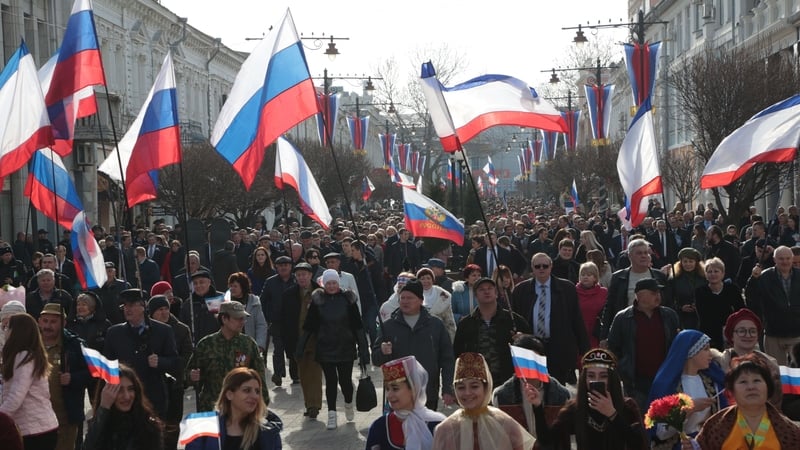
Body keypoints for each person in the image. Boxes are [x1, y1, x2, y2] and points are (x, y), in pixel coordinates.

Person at [529, 348, 648, 450]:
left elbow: (639, 445)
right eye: (591, 376)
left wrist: (612, 414)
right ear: (584, 380)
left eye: (603, 376)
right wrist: (538, 406)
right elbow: (546, 442)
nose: (596, 380)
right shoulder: (574, 409)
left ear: (611, 379)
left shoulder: (628, 407)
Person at [298, 269, 370, 430]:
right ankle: (332, 414)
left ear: (338, 283)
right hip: (325, 347)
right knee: (331, 381)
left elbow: (358, 326)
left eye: (334, 283)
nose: (331, 286)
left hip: (346, 346)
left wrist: (364, 350)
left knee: (345, 382)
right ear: (324, 284)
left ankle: (348, 404)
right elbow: (309, 326)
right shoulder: (318, 301)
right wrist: (300, 347)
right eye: (328, 283)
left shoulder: (348, 299)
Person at [373, 279, 456, 411]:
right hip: (398, 394)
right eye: (402, 298)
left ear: (421, 300)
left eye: (410, 298)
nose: (405, 301)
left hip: (428, 391)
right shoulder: (388, 326)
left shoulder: (435, 325)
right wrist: (382, 351)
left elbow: (447, 360)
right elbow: (376, 360)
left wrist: (447, 388)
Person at [511, 252, 589, 384]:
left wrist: (585, 350)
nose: (541, 269)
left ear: (551, 266)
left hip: (558, 349)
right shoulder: (520, 290)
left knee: (556, 391)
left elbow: (576, 319)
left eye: (545, 266)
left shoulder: (567, 288)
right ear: (532, 268)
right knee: (532, 388)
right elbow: (514, 317)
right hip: (531, 349)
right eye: (537, 266)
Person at [431, 352, 535, 450]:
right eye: (461, 387)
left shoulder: (505, 424)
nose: (467, 393)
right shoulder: (445, 429)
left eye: (474, 386)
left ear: (486, 388)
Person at [694, 354, 800, 449]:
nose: (751, 387)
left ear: (768, 387)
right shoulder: (715, 426)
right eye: (743, 382)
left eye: (757, 381)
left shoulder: (789, 431)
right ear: (732, 390)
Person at [103, 288, 179, 418]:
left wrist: (159, 361)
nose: (127, 309)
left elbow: (175, 361)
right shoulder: (114, 333)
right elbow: (107, 365)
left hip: (153, 396)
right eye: (125, 306)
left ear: (143, 306)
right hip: (125, 398)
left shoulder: (163, 331)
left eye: (132, 305)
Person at [607, 278, 680, 413]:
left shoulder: (669, 316)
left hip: (665, 380)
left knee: (667, 422)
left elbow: (677, 345)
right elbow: (612, 348)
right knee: (638, 422)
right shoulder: (623, 318)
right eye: (653, 293)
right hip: (636, 384)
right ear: (640, 296)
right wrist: (623, 369)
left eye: (659, 292)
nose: (658, 296)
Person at [648, 330, 728, 450]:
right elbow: (660, 433)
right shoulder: (667, 386)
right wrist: (689, 410)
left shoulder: (712, 382)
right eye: (705, 349)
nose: (710, 354)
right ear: (691, 352)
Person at [187, 301, 268, 412]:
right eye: (238, 318)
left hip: (241, 408)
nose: (242, 322)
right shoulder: (206, 344)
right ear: (224, 319)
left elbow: (259, 377)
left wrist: (263, 405)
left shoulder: (248, 344)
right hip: (212, 408)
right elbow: (187, 374)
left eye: (243, 318)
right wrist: (191, 376)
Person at [454, 277, 531, 388]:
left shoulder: (515, 320)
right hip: (478, 382)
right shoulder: (466, 324)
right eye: (481, 289)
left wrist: (523, 339)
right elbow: (458, 354)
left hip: (509, 381)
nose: (486, 291)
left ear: (496, 294)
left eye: (490, 288)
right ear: (476, 295)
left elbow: (533, 348)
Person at [491, 334, 571, 437]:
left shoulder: (562, 395)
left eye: (533, 359)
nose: (529, 365)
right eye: (523, 360)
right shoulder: (501, 396)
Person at [185, 367, 283, 450]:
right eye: (247, 390)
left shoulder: (268, 431)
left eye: (257, 391)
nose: (254, 396)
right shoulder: (204, 432)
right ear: (229, 394)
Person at [0, 313, 59, 449]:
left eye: (8, 328)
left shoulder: (24, 356)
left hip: (35, 430)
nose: (5, 331)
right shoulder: (24, 355)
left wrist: (2, 417)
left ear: (17, 332)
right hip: (35, 427)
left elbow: (17, 395)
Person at [37, 303, 90, 450]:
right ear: (39, 321)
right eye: (45, 321)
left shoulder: (75, 346)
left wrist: (73, 378)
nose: (48, 326)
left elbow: (91, 374)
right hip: (36, 419)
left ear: (64, 323)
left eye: (53, 322)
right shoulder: (31, 345)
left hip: (65, 418)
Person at [366, 356, 447, 450]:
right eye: (387, 389)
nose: (389, 395)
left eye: (395, 389)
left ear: (414, 389)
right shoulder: (379, 427)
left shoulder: (437, 424)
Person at [148, 294, 193, 450]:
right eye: (160, 309)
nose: (164, 312)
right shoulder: (145, 330)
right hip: (151, 386)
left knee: (172, 427)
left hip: (174, 386)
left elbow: (187, 357)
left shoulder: (181, 329)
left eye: (166, 308)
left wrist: (166, 364)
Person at [83, 364, 164, 450]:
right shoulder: (99, 425)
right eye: (119, 390)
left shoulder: (149, 427)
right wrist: (104, 408)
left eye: (130, 389)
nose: (126, 396)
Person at [713, 308, 783, 408]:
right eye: (742, 331)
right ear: (732, 335)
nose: (748, 335)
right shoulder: (718, 363)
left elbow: (776, 399)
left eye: (752, 331)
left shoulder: (770, 363)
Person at [280, 262, 323, 419]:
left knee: (314, 373)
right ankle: (309, 403)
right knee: (303, 374)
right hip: (297, 340)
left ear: (311, 275)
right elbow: (283, 319)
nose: (302, 278)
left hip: (316, 340)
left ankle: (314, 405)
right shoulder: (289, 294)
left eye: (304, 274)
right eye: (298, 275)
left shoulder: (320, 293)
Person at [745, 245, 800, 365]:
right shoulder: (765, 276)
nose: (784, 261)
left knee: (797, 371)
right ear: (775, 260)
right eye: (781, 258)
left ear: (792, 259)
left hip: (797, 333)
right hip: (773, 333)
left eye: (787, 258)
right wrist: (753, 279)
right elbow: (751, 297)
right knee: (775, 371)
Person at [694, 257, 744, 350]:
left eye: (716, 271)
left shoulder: (732, 289)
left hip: (731, 332)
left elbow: (741, 310)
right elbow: (703, 315)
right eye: (709, 271)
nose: (713, 274)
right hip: (709, 333)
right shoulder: (700, 292)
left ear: (723, 273)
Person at [663, 247, 706, 330]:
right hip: (681, 320)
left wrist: (699, 305)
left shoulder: (703, 278)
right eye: (685, 261)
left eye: (691, 261)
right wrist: (680, 308)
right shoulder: (674, 279)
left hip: (701, 319)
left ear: (696, 263)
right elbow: (668, 300)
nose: (688, 264)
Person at [227, 272, 268, 352]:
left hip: (249, 346)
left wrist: (259, 345)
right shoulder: (226, 302)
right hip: (230, 347)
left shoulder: (254, 302)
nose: (232, 288)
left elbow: (261, 325)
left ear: (243, 286)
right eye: (231, 286)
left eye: (235, 286)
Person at [416, 268, 457, 342]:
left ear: (433, 280)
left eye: (428, 278)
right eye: (422, 279)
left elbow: (450, 322)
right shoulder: (413, 295)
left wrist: (451, 340)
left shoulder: (444, 296)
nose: (426, 281)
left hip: (439, 336)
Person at [576, 262, 607, 349]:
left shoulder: (604, 292)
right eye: (583, 274)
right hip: (578, 334)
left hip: (597, 335)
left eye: (589, 275)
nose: (585, 277)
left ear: (595, 277)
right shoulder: (573, 292)